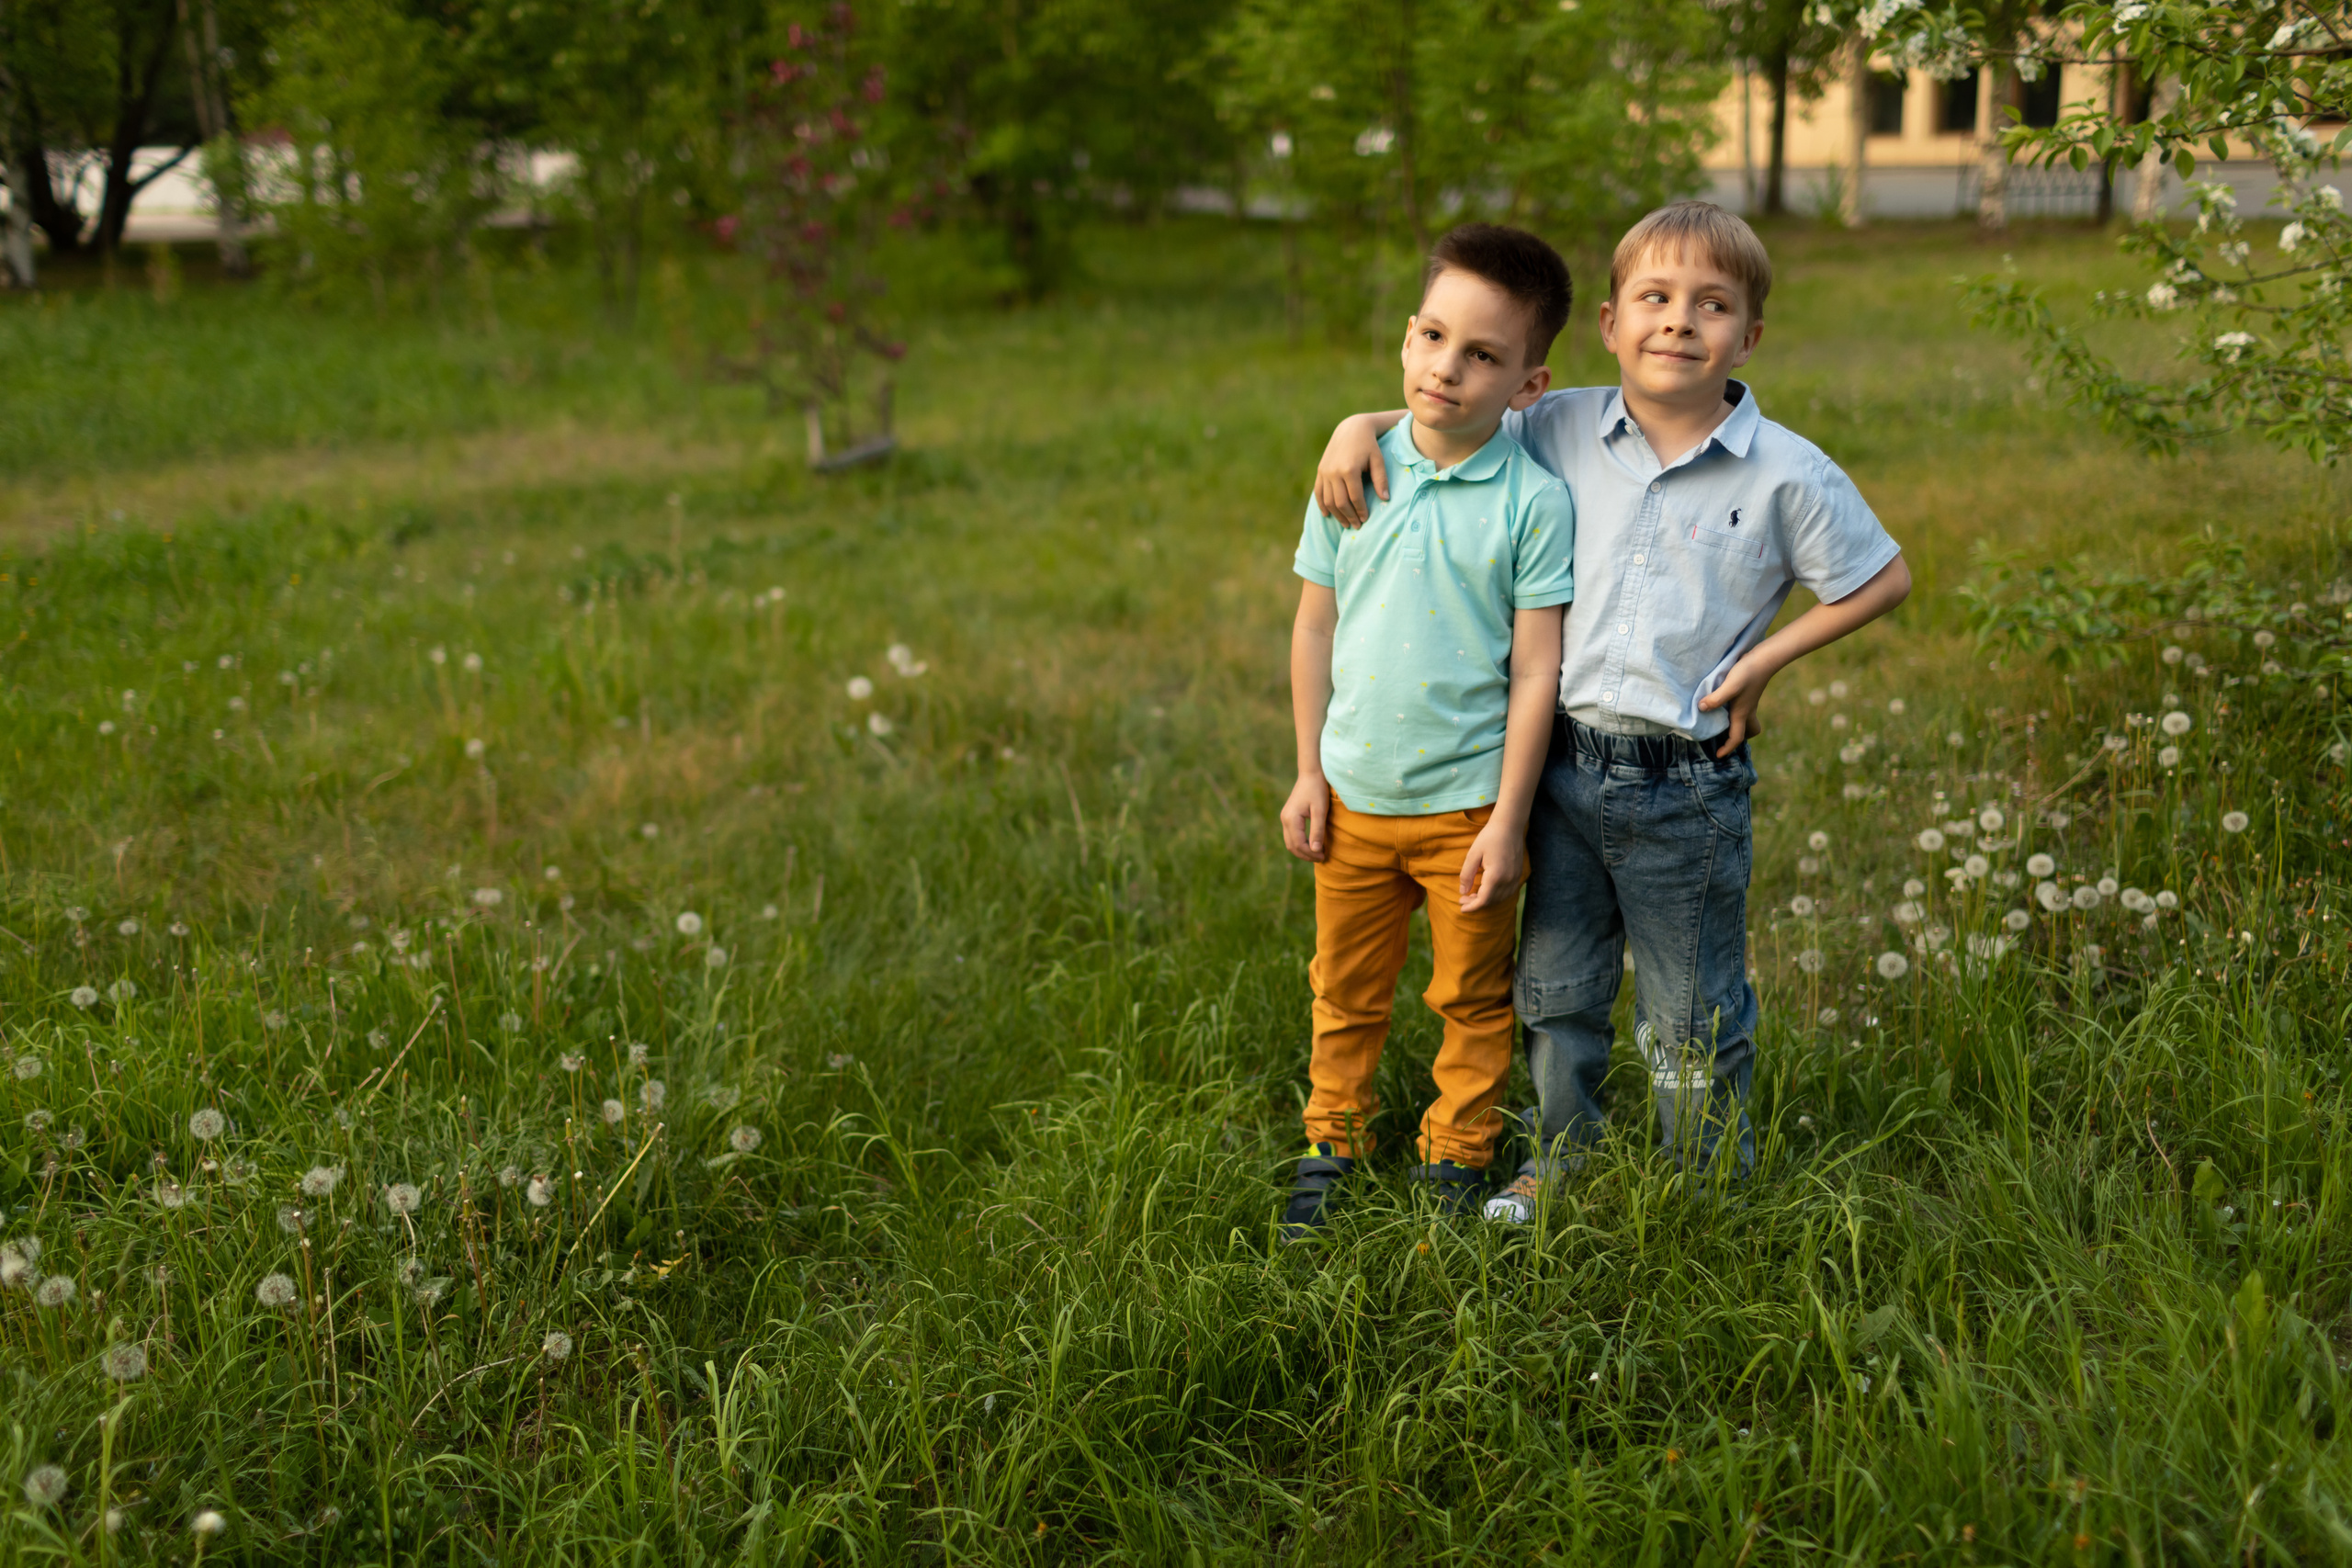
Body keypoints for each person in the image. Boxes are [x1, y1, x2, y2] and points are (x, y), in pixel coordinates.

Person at [1308, 201, 1911, 1220]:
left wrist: (1764, 661)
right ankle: (1561, 1157)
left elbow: (1881, 580)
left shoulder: (1784, 471)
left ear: (1749, 336)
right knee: (1554, 990)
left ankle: (1703, 1177)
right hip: (1554, 770)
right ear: (1609, 321)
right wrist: (1352, 425)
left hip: (1686, 782)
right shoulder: (1559, 421)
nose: (1678, 322)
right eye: (1655, 299)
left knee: (1688, 1005)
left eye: (1711, 305)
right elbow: (1444, 407)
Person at [1278, 223, 1577, 1240]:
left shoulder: (1534, 502)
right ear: (1407, 338)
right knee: (1344, 990)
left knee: (1470, 999)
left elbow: (1538, 667)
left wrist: (1507, 818)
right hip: (1353, 799)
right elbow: (1314, 623)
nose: (1447, 368)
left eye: (1482, 354)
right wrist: (1306, 771)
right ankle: (1334, 1140)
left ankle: (1457, 1152)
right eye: (1433, 337)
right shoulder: (1351, 475)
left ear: (1526, 385)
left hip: (1464, 813)